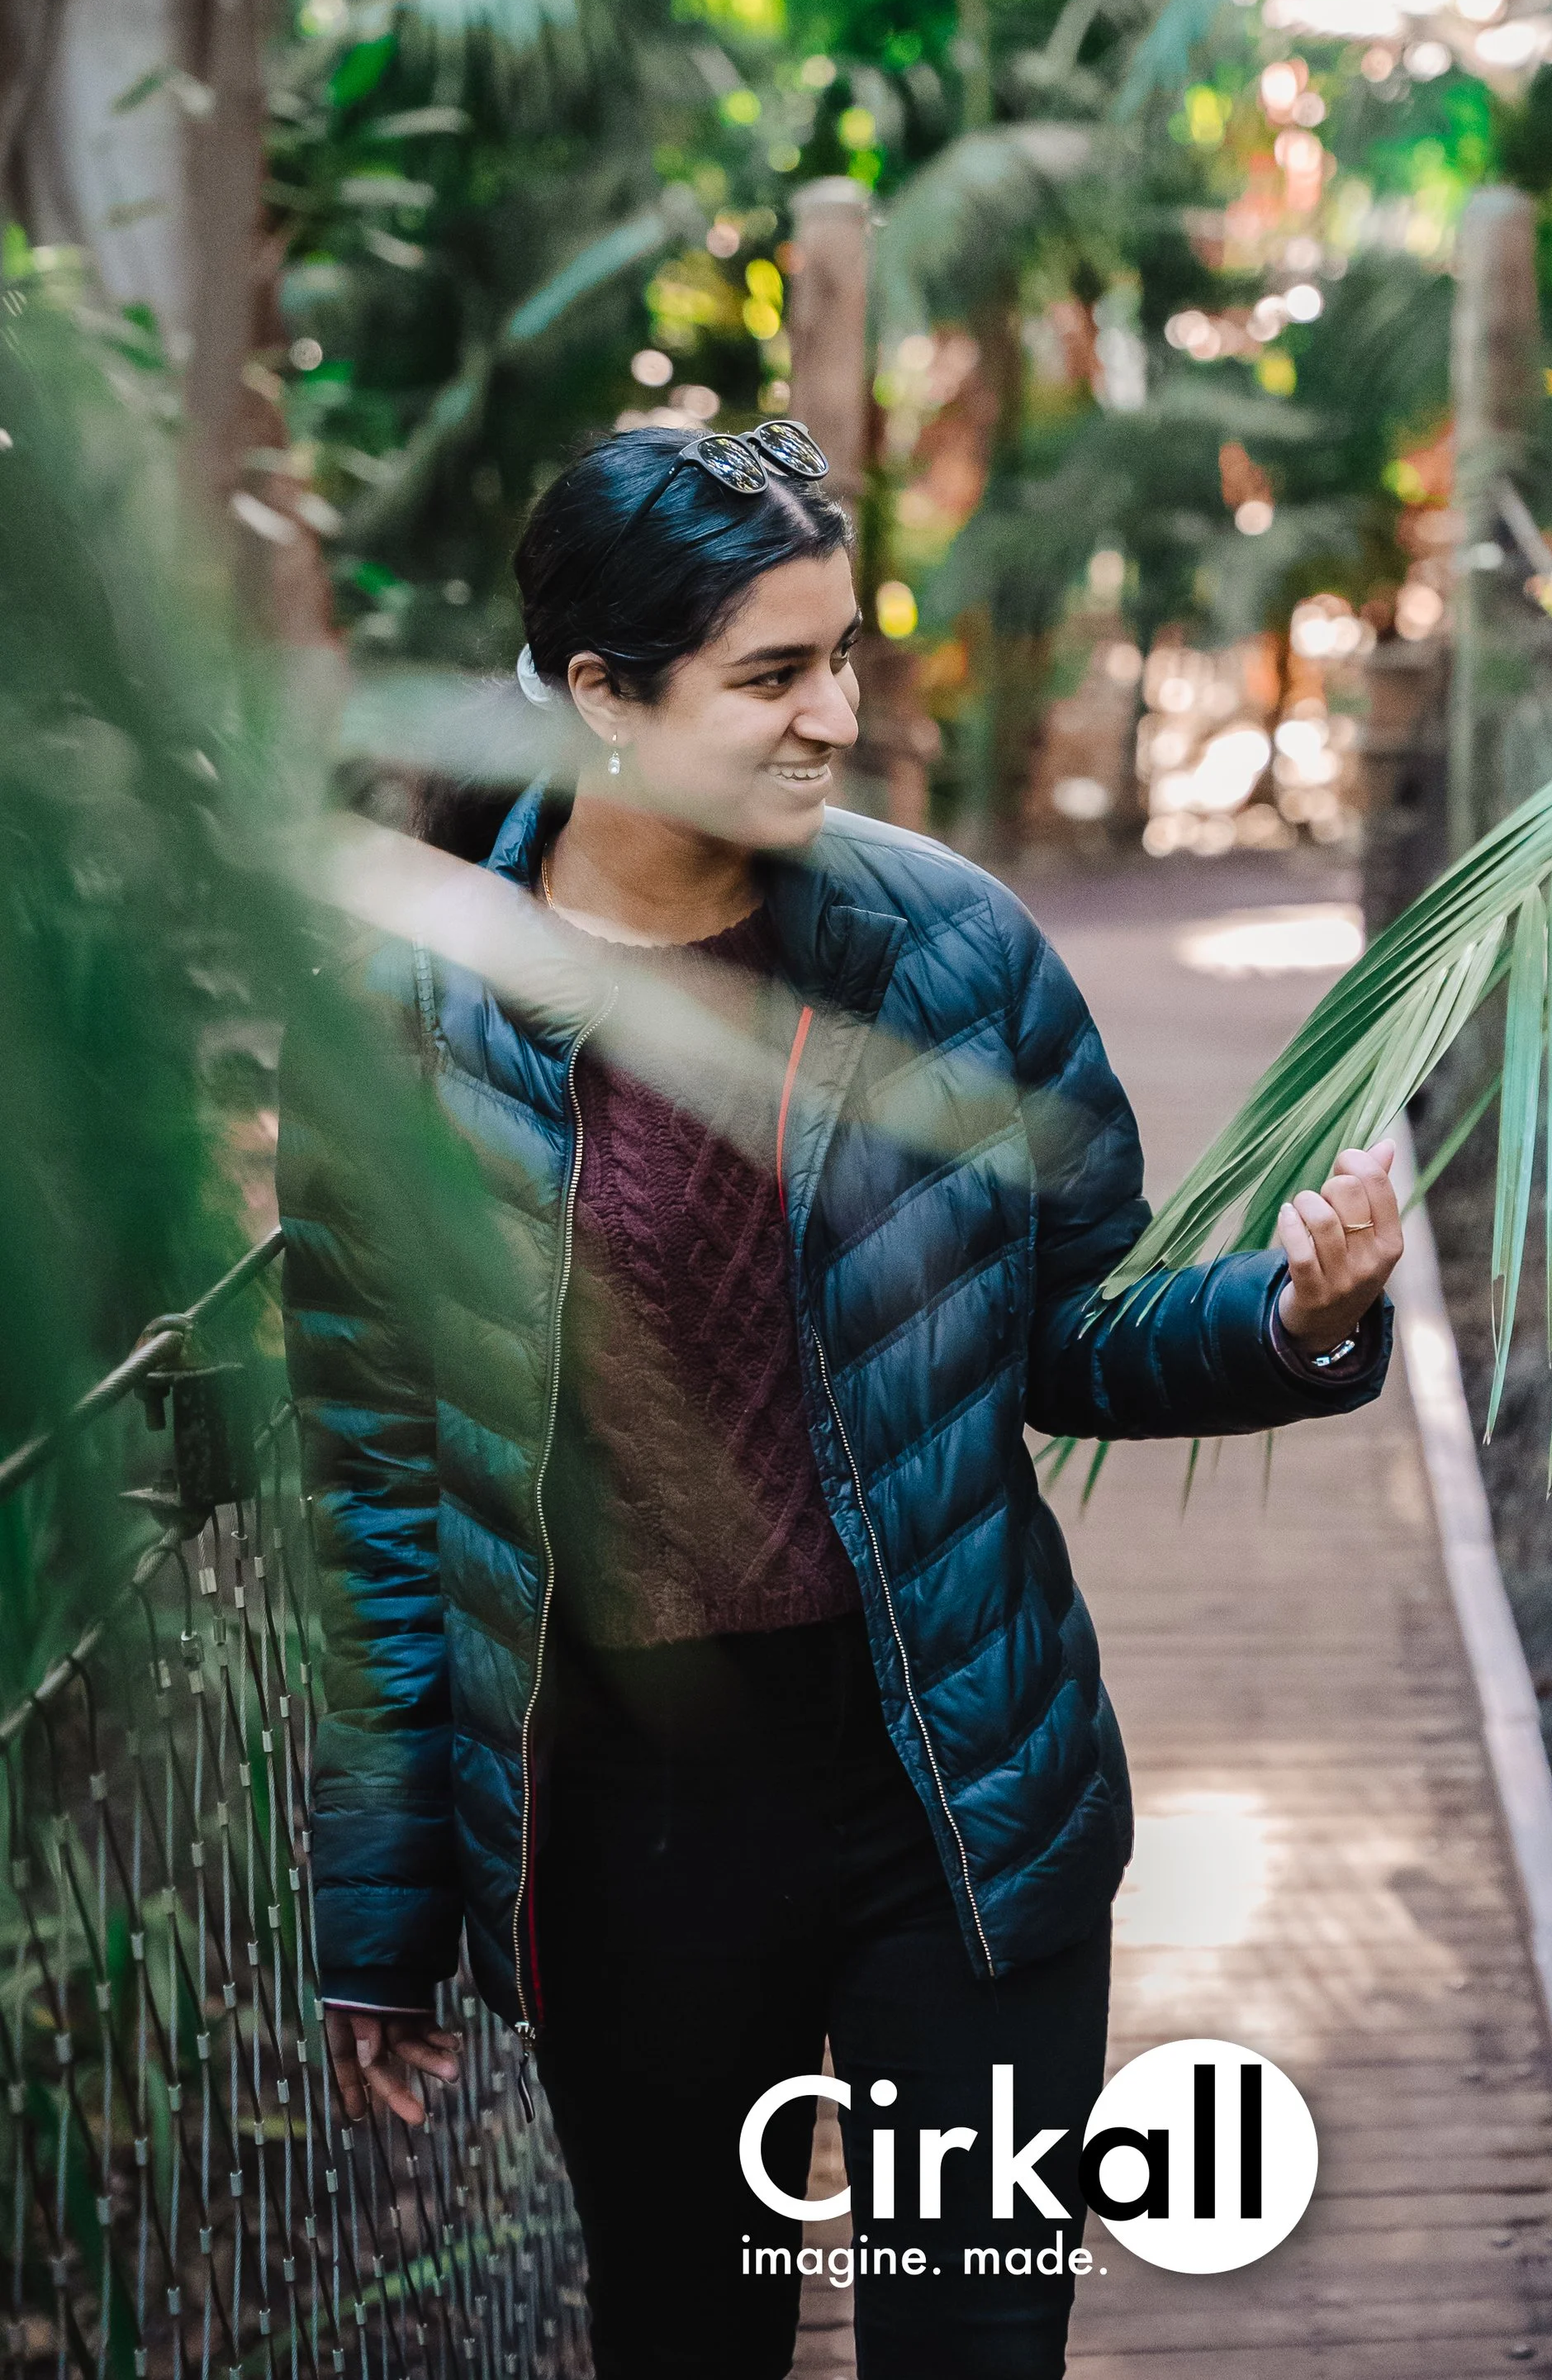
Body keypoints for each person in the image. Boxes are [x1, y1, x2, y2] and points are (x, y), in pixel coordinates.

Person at [280, 418, 1402, 2380]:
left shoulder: (946, 953)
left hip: (953, 1799)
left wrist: (1294, 1322)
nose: (838, 715)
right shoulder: (403, 1015)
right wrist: (380, 1916)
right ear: (605, 700)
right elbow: (380, 1482)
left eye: (844, 656)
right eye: (775, 674)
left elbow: (1074, 1334)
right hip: (626, 1837)